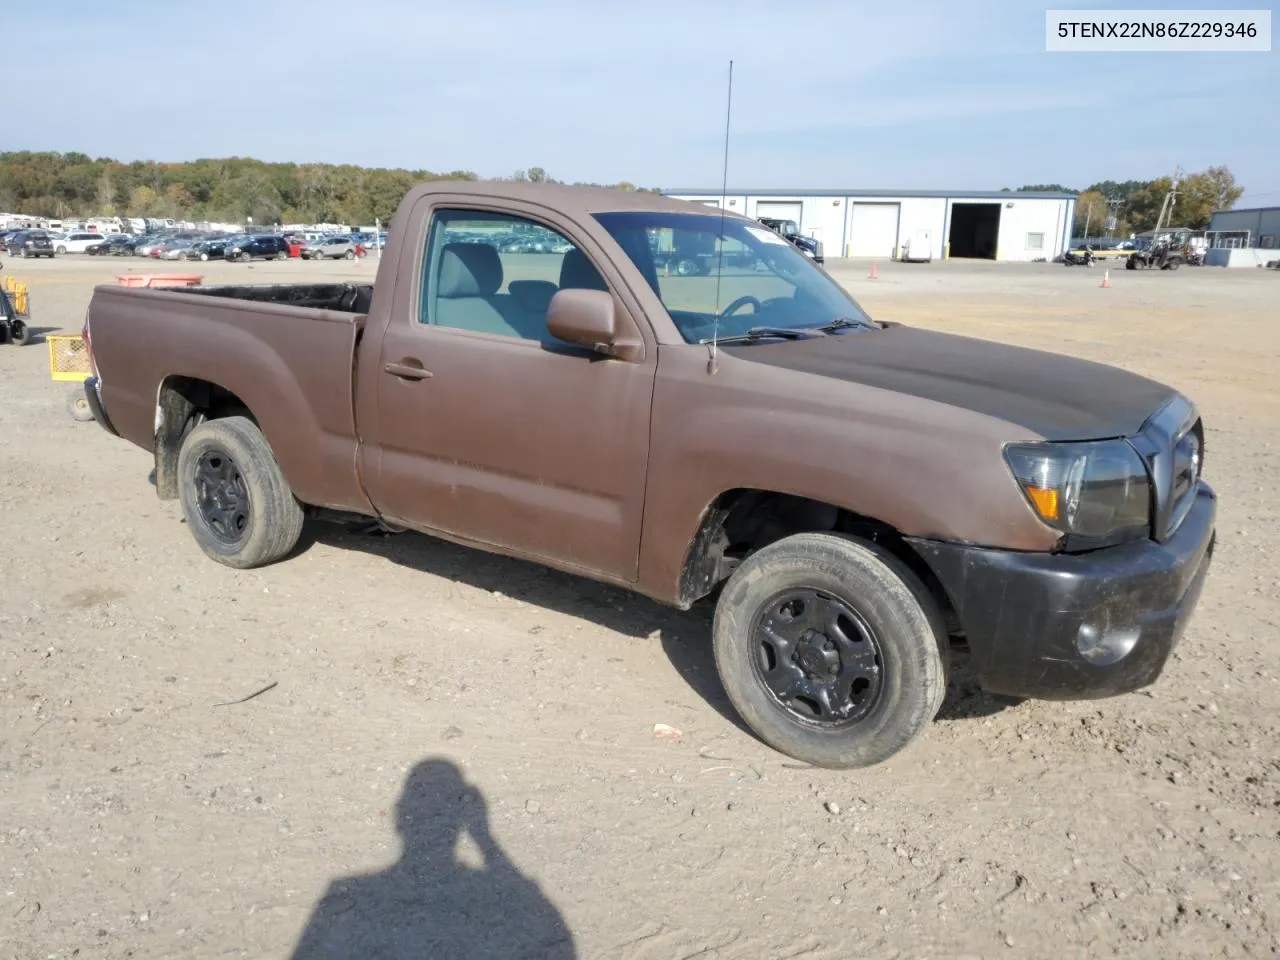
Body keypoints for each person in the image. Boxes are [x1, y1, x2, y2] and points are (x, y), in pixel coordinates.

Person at [291, 759, 575, 960]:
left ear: (399, 817)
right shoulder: (492, 894)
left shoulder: (348, 894)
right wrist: (484, 838)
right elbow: (542, 922)